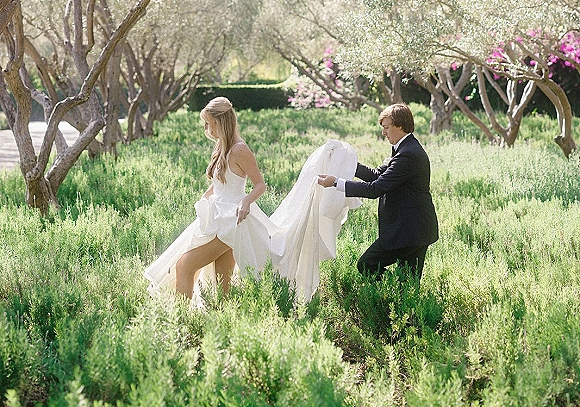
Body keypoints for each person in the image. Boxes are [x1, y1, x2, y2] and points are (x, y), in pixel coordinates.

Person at [144, 97, 361, 303]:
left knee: (185, 265)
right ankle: (222, 319)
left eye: (209, 124)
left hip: (230, 219)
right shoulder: (223, 146)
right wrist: (207, 196)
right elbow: (223, 181)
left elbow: (260, 185)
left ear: (221, 122)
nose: (206, 130)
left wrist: (246, 201)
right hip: (217, 213)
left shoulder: (240, 149)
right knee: (222, 278)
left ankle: (180, 320)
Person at [318, 102, 438, 282]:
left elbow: (376, 189)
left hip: (409, 231)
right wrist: (346, 160)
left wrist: (336, 183)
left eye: (387, 127)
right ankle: (397, 300)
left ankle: (389, 293)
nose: (384, 133)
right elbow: (376, 175)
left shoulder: (409, 154)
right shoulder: (404, 149)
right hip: (414, 230)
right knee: (408, 284)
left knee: (367, 265)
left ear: (400, 125)